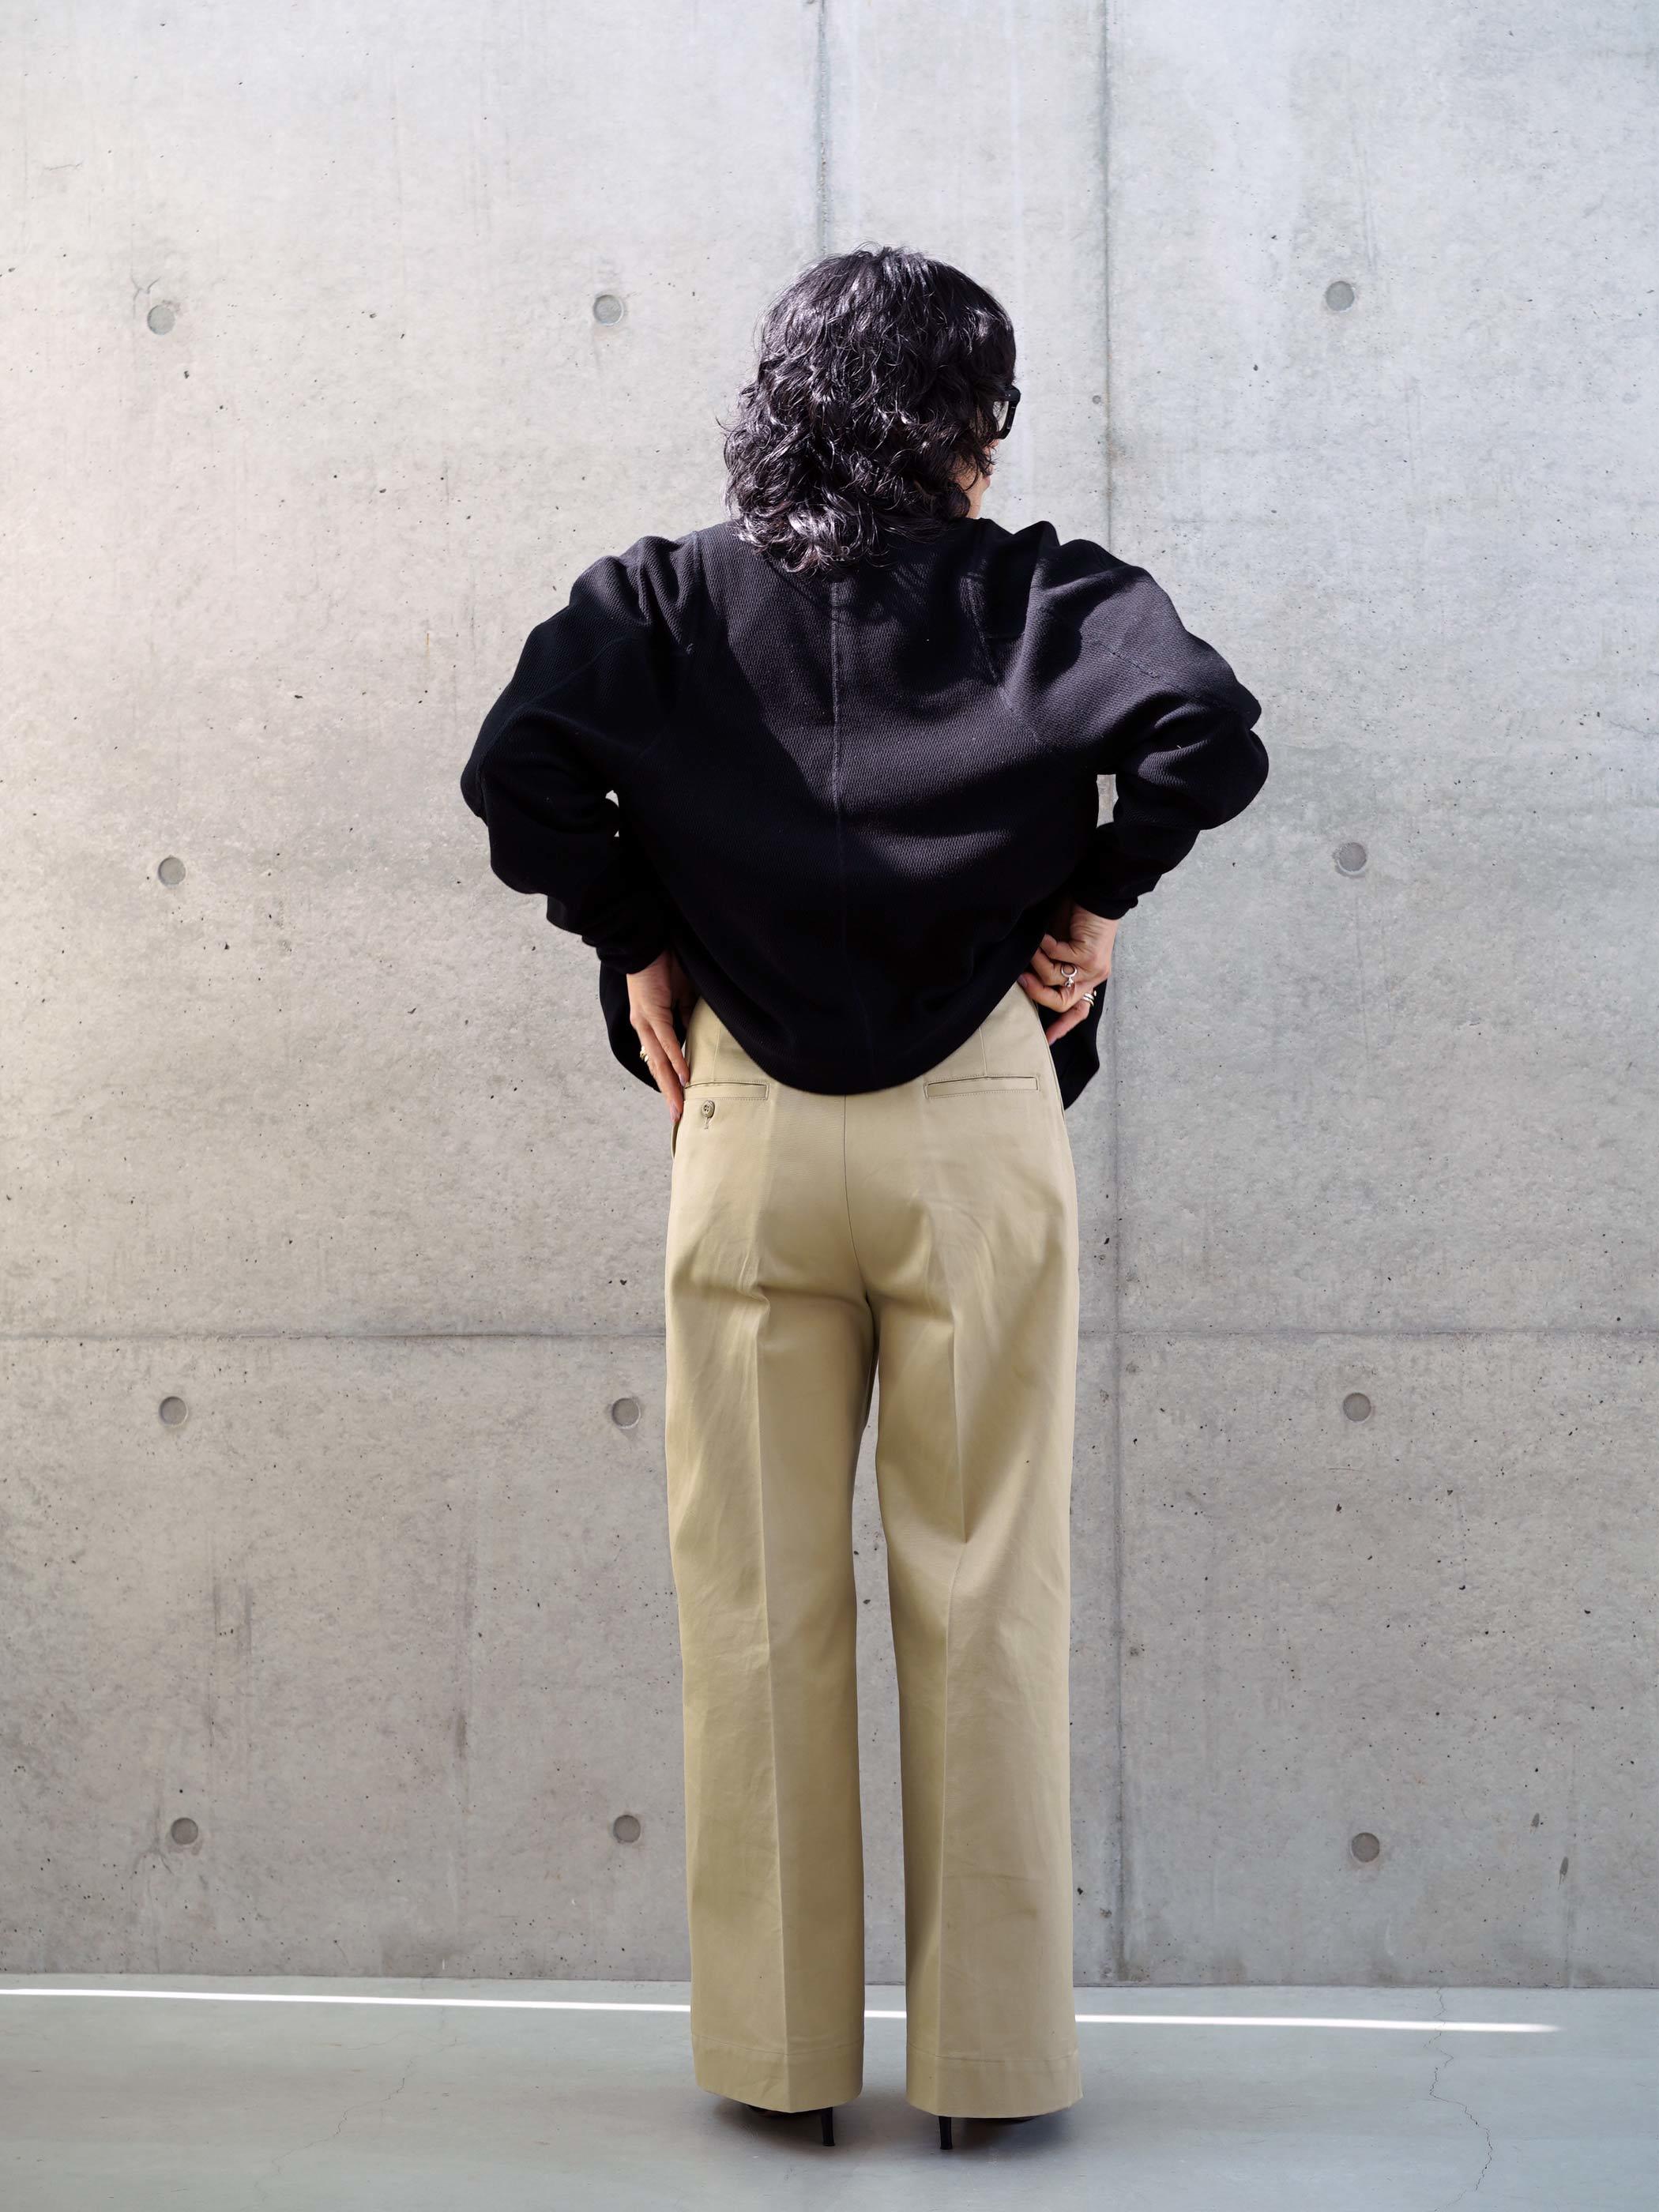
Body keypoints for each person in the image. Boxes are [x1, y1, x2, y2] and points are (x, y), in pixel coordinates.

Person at [459, 245, 1268, 2151]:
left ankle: (780, 2060)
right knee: (988, 1592)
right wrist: (1094, 902)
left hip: (743, 1122)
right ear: (959, 419)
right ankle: (990, 2073)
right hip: (975, 1119)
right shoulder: (1039, 596)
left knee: (753, 1596)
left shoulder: (665, 599)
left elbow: (516, 774)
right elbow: (1208, 734)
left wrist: (642, 935)